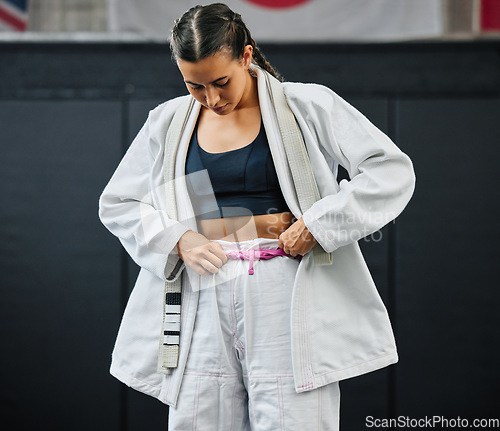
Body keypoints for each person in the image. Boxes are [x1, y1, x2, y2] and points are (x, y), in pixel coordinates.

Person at [98, 3, 415, 430]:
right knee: (198, 418)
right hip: (204, 286)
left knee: (293, 419)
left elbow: (390, 170)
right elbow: (118, 202)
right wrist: (178, 239)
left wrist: (320, 225)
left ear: (246, 56)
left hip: (283, 283)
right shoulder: (168, 122)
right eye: (195, 85)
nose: (212, 98)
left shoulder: (305, 104)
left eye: (221, 82)